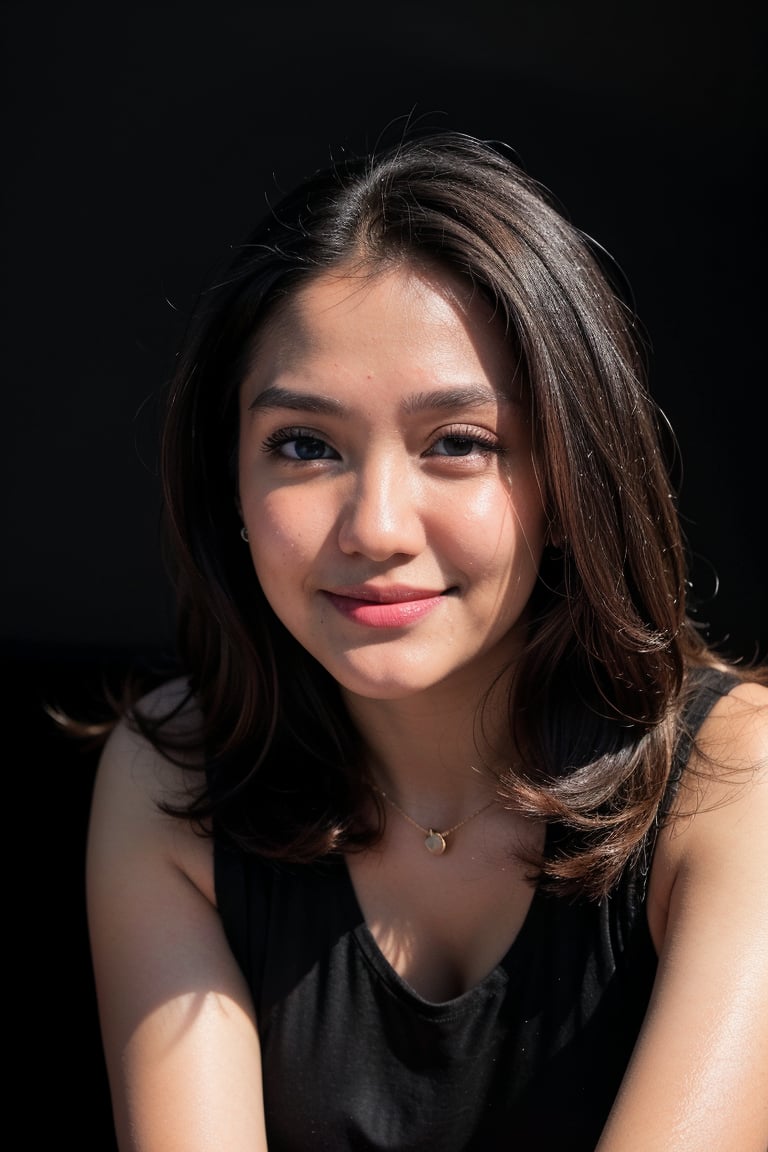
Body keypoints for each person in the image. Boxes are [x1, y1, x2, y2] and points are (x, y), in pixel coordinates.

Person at [79, 128, 768, 1151]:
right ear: (230, 480)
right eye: (305, 446)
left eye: (459, 444)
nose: (377, 529)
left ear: (570, 479)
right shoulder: (171, 777)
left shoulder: (735, 773)